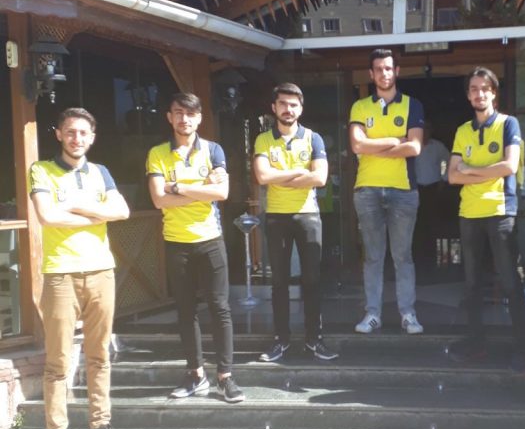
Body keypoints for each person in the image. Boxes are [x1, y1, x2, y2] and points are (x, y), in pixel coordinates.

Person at [29, 107, 132, 429]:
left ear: (92, 137)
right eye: (70, 132)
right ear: (59, 134)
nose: (77, 138)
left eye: (83, 133)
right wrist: (96, 213)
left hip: (102, 270)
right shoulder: (42, 170)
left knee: (99, 354)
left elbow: (122, 211)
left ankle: (100, 425)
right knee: (58, 361)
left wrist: (73, 206)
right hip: (61, 275)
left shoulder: (101, 172)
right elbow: (47, 216)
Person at [146, 92, 243, 403]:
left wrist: (178, 187)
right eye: (178, 112)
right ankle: (195, 374)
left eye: (190, 113)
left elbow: (222, 193)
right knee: (186, 310)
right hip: (176, 242)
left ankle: (225, 376)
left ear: (199, 118)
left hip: (210, 239)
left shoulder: (213, 150)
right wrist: (202, 190)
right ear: (169, 117)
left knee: (220, 308)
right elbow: (158, 199)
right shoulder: (157, 153)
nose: (184, 118)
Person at [447, 67, 525, 371]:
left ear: (494, 92)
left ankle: (524, 349)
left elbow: (509, 166)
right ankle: (476, 344)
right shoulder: (462, 130)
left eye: (484, 88)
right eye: (473, 89)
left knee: (510, 282)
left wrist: (470, 170)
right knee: (471, 285)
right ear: (468, 95)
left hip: (500, 211)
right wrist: (484, 172)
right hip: (469, 213)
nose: (479, 93)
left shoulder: (509, 124)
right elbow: (452, 176)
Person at [253, 82, 338, 362]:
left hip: (308, 216)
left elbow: (320, 178)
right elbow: (262, 176)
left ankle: (314, 339)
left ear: (301, 109)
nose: (288, 109)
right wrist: (299, 173)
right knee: (279, 281)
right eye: (283, 104)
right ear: (274, 107)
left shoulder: (314, 138)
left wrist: (280, 175)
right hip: (276, 216)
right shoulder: (263, 139)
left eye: (293, 105)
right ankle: (281, 340)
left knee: (312, 280)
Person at [348, 48, 425, 334]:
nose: (384, 73)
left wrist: (374, 146)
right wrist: (395, 140)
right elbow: (357, 145)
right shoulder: (359, 107)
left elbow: (414, 147)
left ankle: (408, 314)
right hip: (367, 190)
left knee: (403, 256)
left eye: (389, 68)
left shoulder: (413, 105)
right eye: (379, 69)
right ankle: (372, 314)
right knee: (373, 257)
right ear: (371, 74)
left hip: (403, 190)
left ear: (397, 71)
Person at [413, 120, 450, 270]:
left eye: (427, 128)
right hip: (415, 189)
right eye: (423, 129)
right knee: (417, 225)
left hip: (433, 189)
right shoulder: (412, 145)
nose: (425, 132)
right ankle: (418, 261)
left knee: (433, 224)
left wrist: (444, 178)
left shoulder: (438, 146)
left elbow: (447, 161)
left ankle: (432, 261)